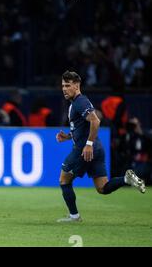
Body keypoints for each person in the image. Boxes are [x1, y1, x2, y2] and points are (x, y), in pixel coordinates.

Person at [56, 71, 146, 222]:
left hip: (84, 150)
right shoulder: (76, 103)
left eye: (67, 85)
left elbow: (95, 121)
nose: (64, 89)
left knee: (64, 180)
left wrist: (88, 144)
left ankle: (74, 216)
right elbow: (81, 128)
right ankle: (126, 179)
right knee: (102, 188)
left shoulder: (80, 102)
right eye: (63, 86)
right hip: (97, 148)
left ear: (77, 86)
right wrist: (68, 136)